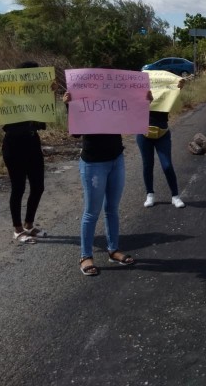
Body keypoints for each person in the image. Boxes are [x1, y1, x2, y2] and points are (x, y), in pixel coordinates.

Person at [63, 89, 150, 276]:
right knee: (91, 212)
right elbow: (75, 134)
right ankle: (85, 256)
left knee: (112, 208)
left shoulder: (116, 99)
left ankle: (113, 250)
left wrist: (145, 103)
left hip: (116, 159)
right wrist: (69, 106)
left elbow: (133, 120)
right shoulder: (85, 100)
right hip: (93, 163)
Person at [0, 61, 53, 244]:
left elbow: (43, 116)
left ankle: (29, 225)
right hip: (13, 144)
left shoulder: (37, 94)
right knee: (18, 187)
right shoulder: (7, 93)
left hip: (32, 141)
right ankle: (17, 229)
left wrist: (49, 93)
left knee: (38, 186)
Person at [138, 78, 187, 209]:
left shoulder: (166, 93)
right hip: (143, 133)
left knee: (167, 165)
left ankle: (175, 196)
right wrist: (144, 100)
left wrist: (179, 87)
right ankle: (150, 194)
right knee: (147, 165)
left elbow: (174, 98)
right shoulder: (139, 94)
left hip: (162, 133)